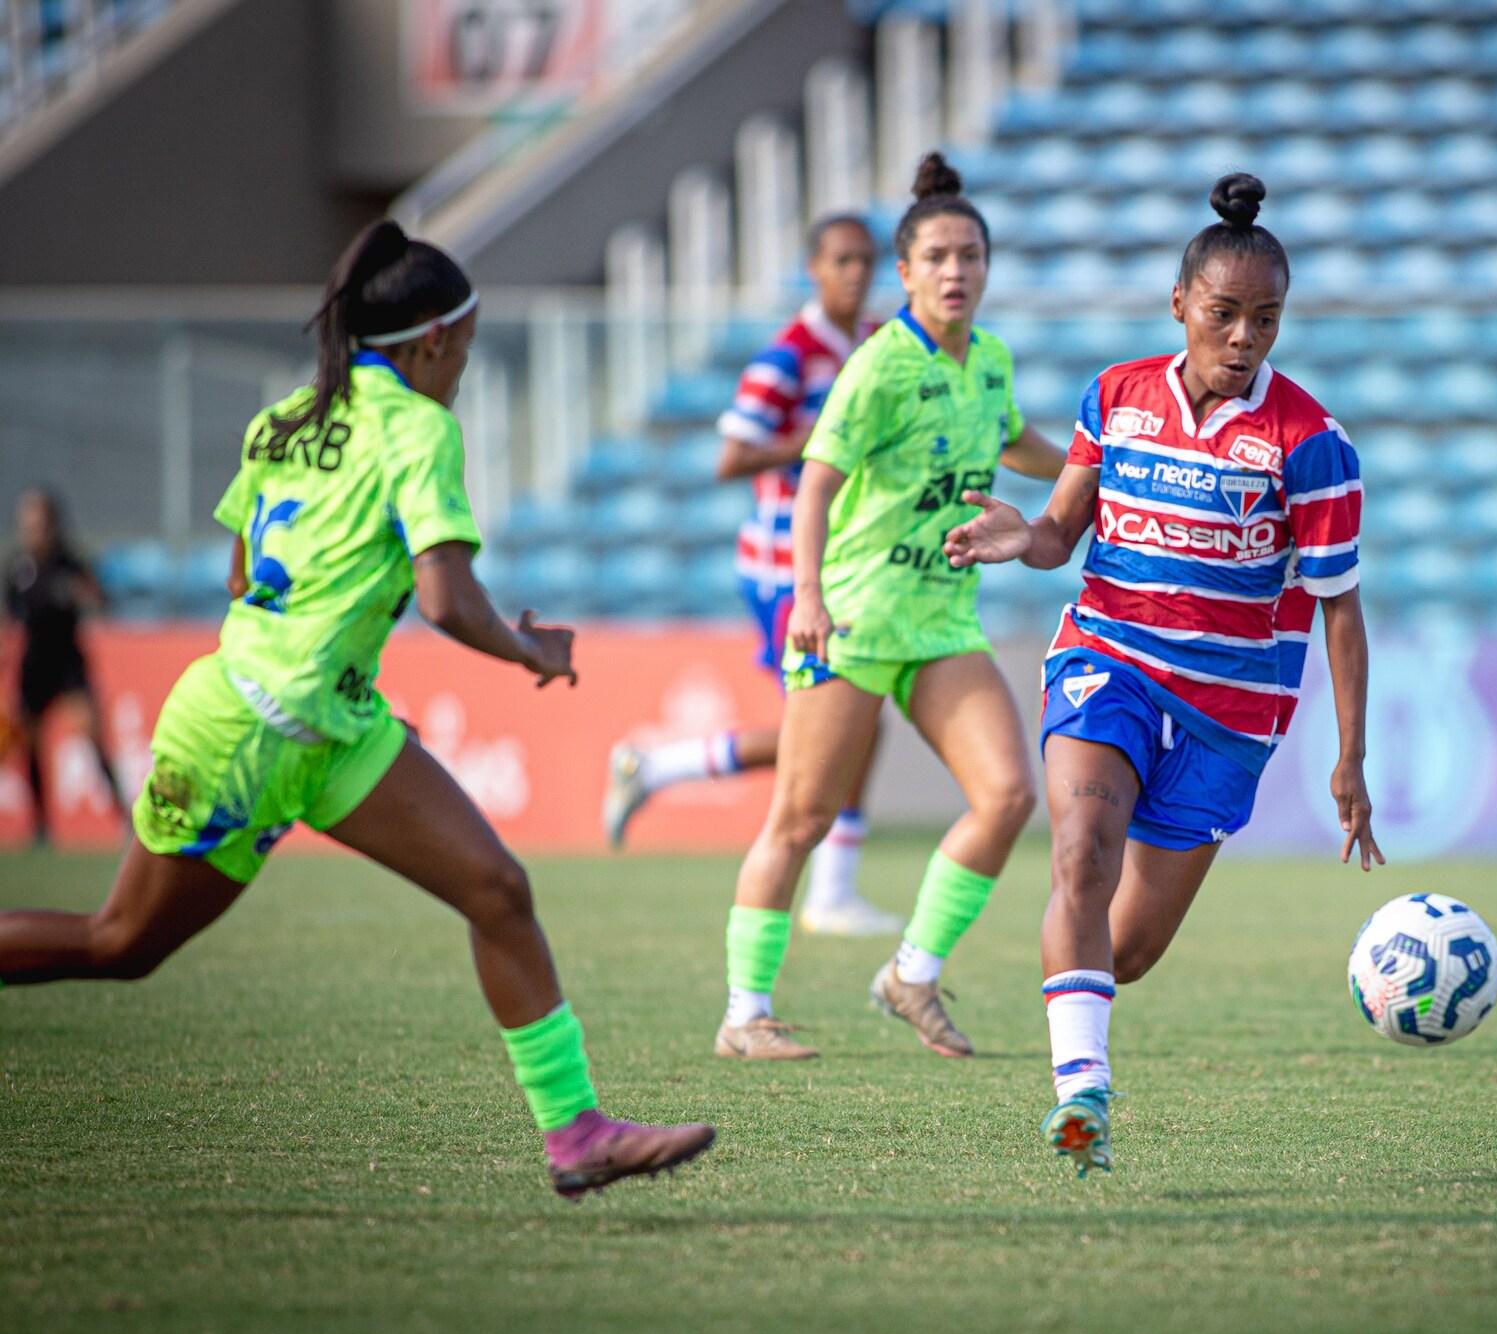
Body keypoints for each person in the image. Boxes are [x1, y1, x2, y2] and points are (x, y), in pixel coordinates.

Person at [0, 221, 713, 1199]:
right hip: (252, 728)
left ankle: (577, 1134)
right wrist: (533, 652)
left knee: (497, 889)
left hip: (321, 722)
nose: (462, 370)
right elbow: (447, 601)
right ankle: (578, 1133)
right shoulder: (420, 428)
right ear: (433, 341)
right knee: (120, 944)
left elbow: (242, 574)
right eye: (465, 348)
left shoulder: (284, 419)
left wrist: (338, 679)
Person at [942, 174, 1387, 1176]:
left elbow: (1340, 608)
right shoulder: (1115, 397)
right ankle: (1081, 1101)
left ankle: (1077, 998)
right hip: (1108, 663)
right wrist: (1023, 536)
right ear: (1180, 303)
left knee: (1128, 949)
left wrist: (1349, 756)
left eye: (1265, 319)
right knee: (1080, 856)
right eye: (1223, 313)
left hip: (1230, 716)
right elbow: (1060, 531)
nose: (1243, 337)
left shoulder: (1312, 445)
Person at [711, 151, 1066, 1062]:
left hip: (942, 619)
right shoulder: (876, 365)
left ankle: (911, 973)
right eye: (937, 257)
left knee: (1007, 795)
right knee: (800, 818)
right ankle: (744, 1013)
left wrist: (1092, 467)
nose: (956, 271)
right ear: (904, 273)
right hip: (856, 616)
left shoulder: (990, 360)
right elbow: (815, 484)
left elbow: (1016, 440)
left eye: (971, 256)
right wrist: (808, 596)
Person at [602, 216, 902, 936]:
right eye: (841, 260)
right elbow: (731, 457)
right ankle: (661, 770)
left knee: (858, 724)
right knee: (833, 727)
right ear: (814, 268)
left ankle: (829, 887)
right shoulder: (786, 357)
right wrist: (816, 439)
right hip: (783, 568)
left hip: (843, 562)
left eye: (865, 259)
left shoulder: (874, 342)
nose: (856, 273)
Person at [5, 488, 123, 844]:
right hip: (34, 666)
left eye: (39, 522)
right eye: (28, 522)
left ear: (53, 524)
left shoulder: (70, 564)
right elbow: (10, 619)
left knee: (92, 737)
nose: (33, 530)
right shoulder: (18, 568)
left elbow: (101, 601)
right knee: (29, 744)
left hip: (69, 664)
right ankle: (41, 828)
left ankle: (124, 818)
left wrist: (84, 594)